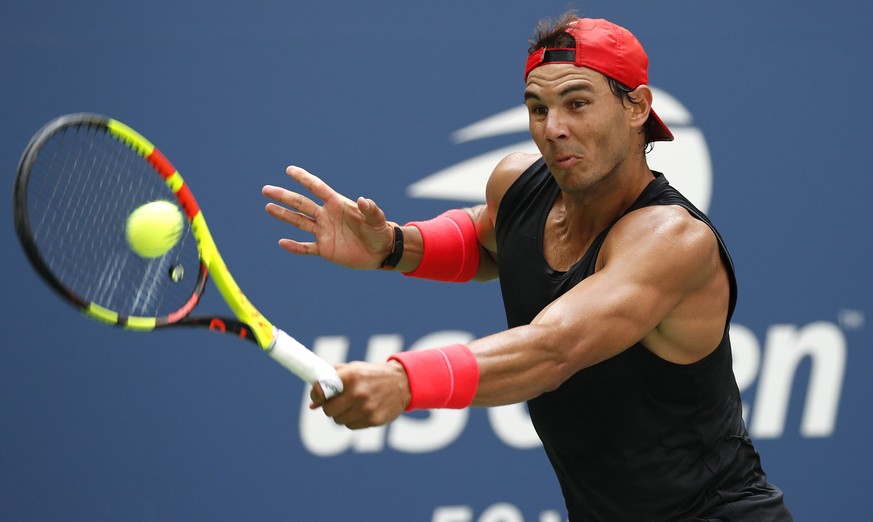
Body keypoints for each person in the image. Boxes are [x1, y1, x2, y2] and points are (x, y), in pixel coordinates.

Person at [262, 13, 792, 522]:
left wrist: (404, 382)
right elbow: (489, 239)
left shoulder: (670, 240)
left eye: (577, 103)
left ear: (637, 108)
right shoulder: (519, 184)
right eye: (537, 109)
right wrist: (395, 245)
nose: (554, 127)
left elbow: (552, 350)